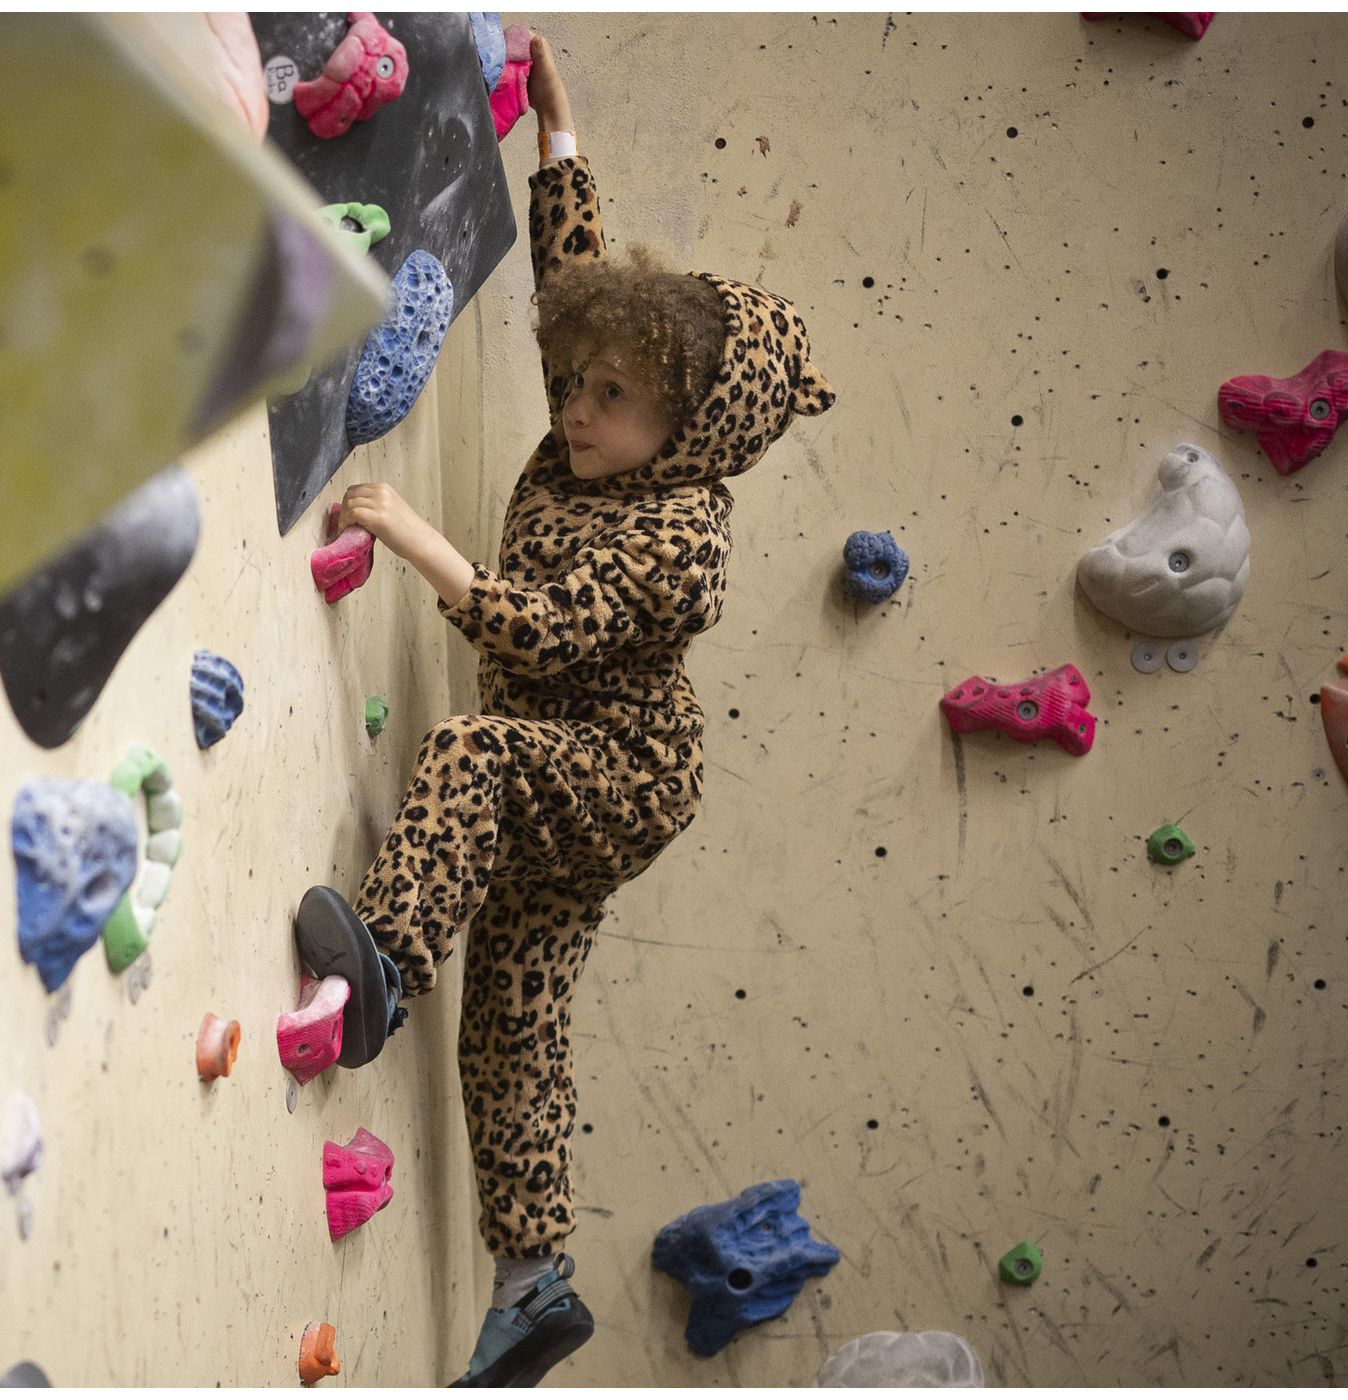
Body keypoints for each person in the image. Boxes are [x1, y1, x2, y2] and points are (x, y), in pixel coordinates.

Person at [288, 30, 837, 1387]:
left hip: (622, 773)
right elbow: (578, 276)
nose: (578, 412)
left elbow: (545, 626)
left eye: (614, 399)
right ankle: (532, 1285)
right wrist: (558, 128)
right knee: (516, 1012)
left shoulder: (683, 536)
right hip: (576, 764)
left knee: (471, 758)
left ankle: (384, 964)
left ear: (694, 428)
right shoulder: (601, 418)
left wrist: (415, 537)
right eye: (579, 382)